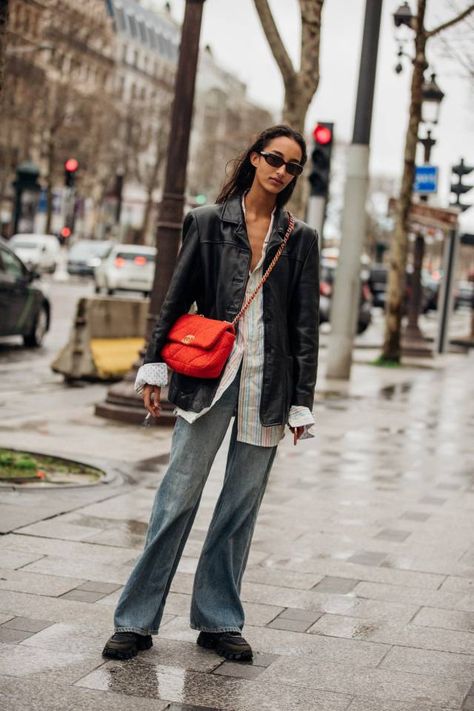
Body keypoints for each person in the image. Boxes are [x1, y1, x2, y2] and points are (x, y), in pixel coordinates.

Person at [103, 125, 320, 663]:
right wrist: (154, 366)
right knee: (176, 499)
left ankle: (218, 620)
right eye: (274, 158)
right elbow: (176, 297)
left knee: (239, 509)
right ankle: (135, 620)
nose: (281, 171)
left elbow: (304, 327)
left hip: (268, 386)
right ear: (253, 158)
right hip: (209, 377)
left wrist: (302, 400)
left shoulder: (299, 237)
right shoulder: (205, 222)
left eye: (293, 166)